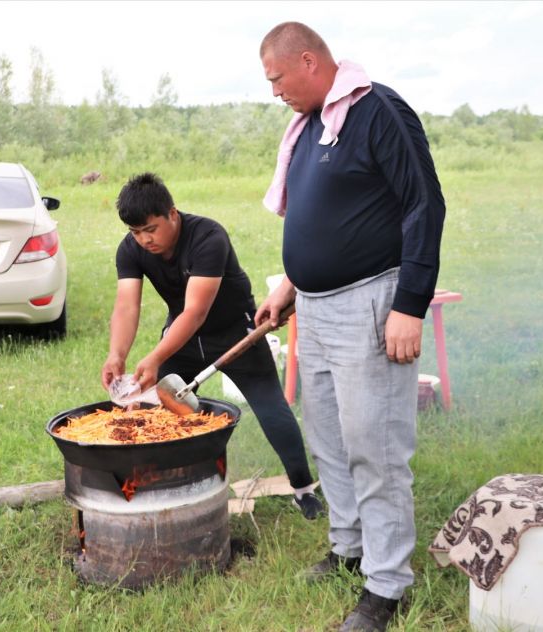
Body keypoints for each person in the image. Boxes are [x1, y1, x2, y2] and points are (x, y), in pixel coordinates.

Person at [255, 22, 446, 632]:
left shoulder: (378, 112)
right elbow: (324, 213)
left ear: (308, 61)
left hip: (372, 304)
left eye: (278, 79)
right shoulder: (313, 124)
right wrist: (289, 285)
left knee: (376, 446)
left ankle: (387, 585)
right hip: (314, 306)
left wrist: (410, 305)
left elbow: (424, 204)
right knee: (331, 438)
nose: (275, 92)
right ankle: (349, 547)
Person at [101, 172, 323, 519]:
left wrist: (156, 357)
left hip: (235, 332)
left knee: (271, 409)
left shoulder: (207, 236)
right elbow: (127, 305)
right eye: (135, 232)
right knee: (163, 412)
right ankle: (172, 484)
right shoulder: (130, 250)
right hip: (182, 339)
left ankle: (303, 489)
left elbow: (196, 311)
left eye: (151, 229)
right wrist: (118, 354)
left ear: (171, 214)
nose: (144, 240)